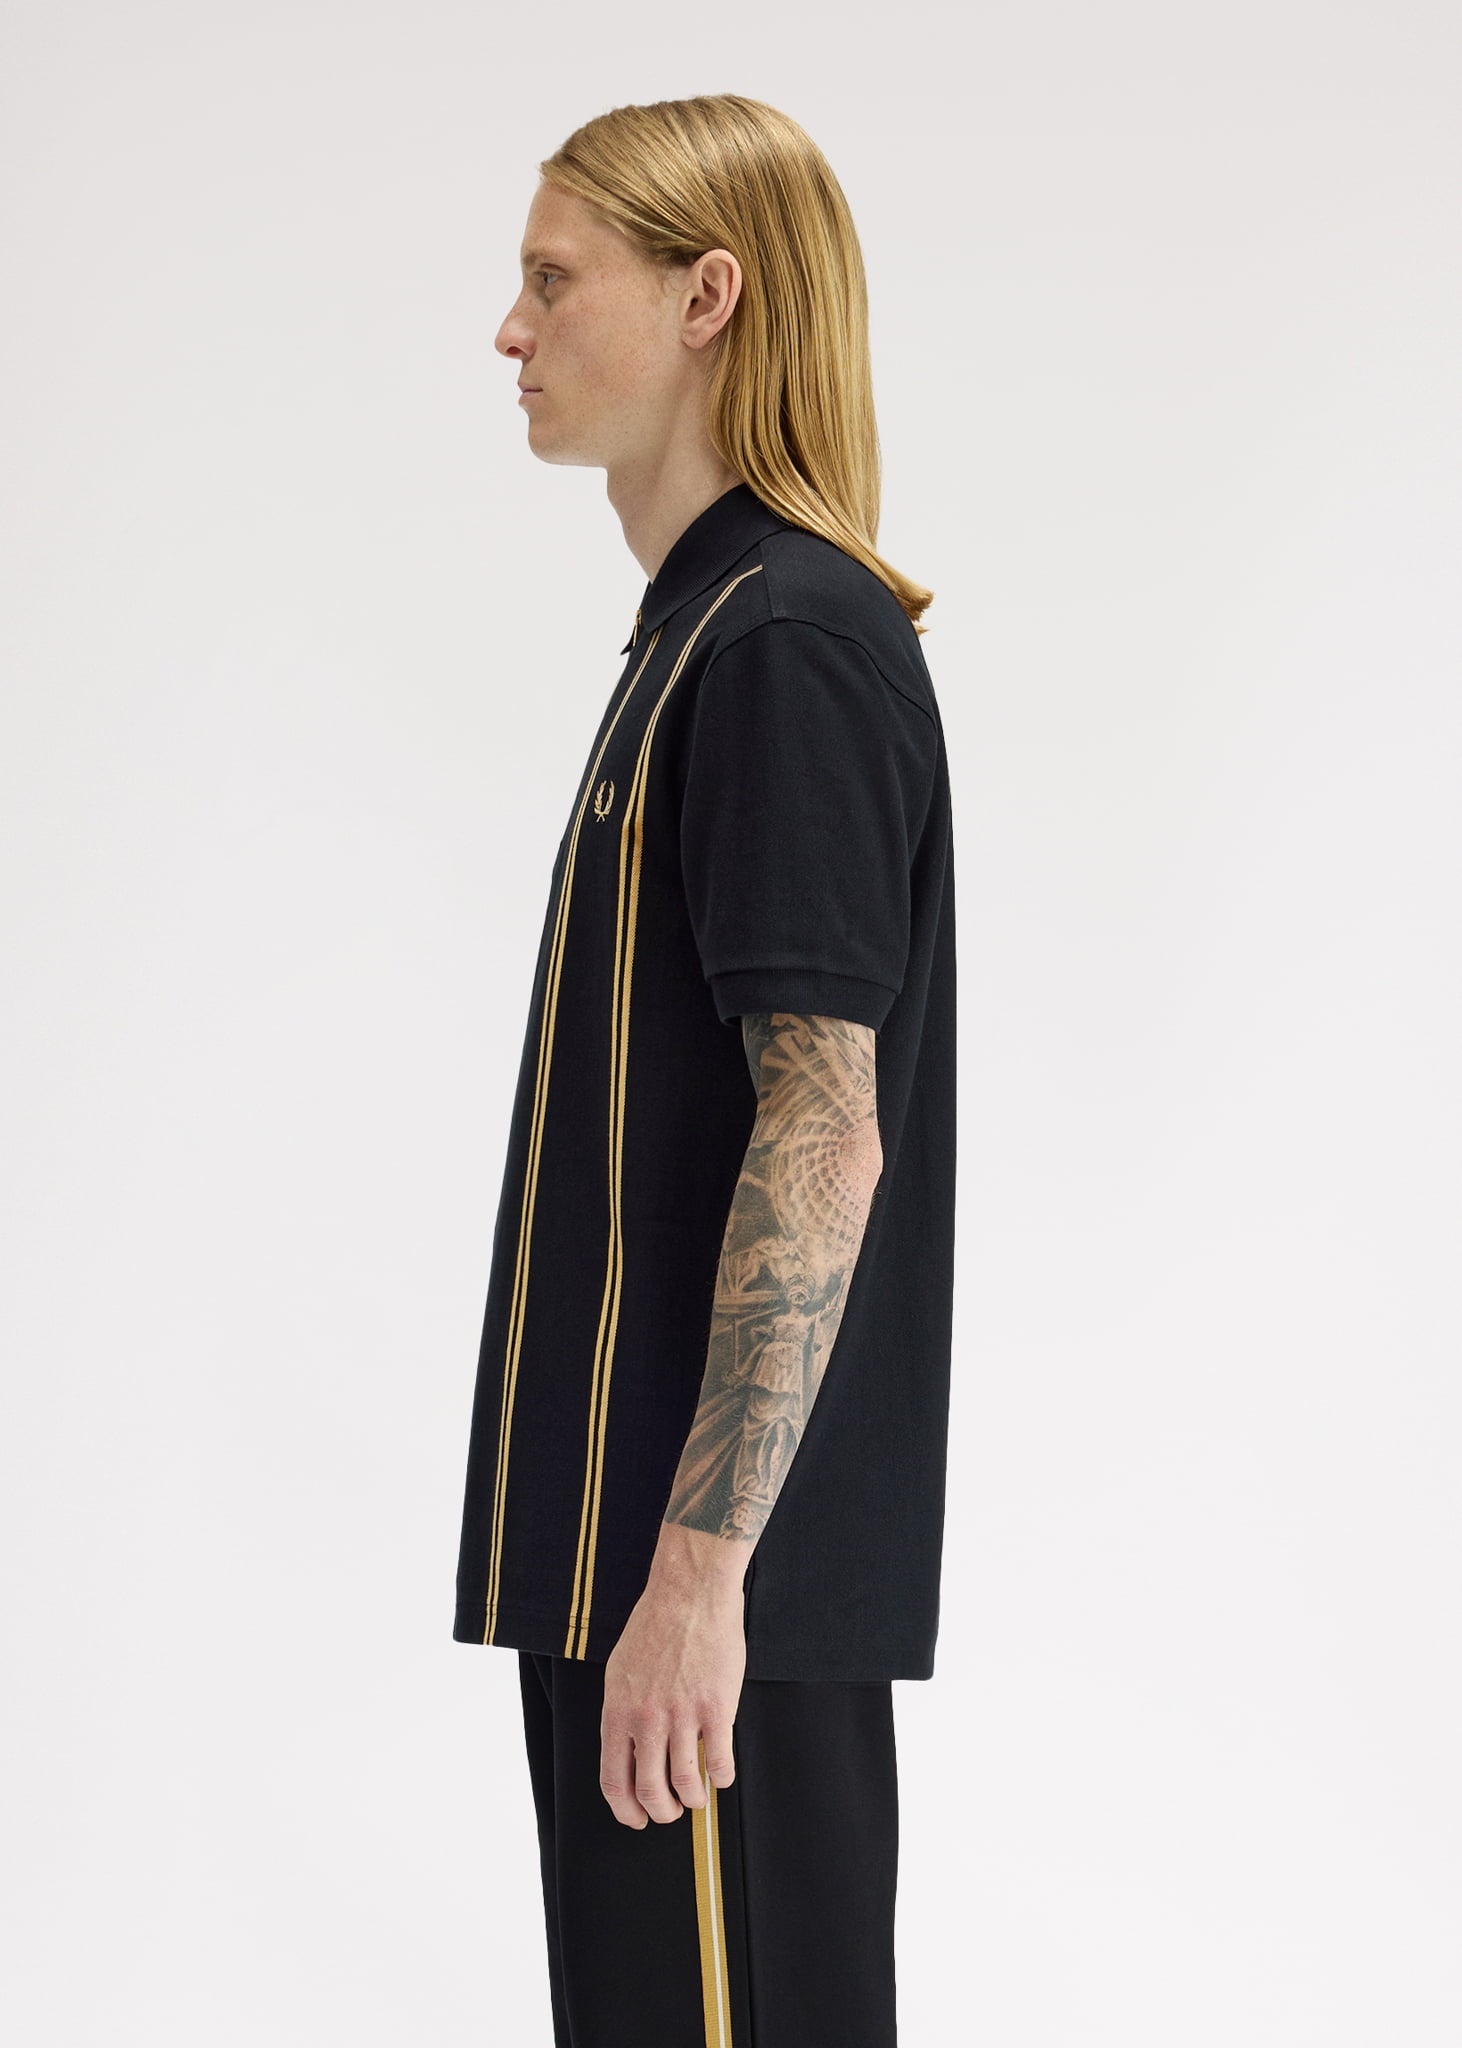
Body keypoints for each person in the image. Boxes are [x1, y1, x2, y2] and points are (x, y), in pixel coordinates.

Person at [452, 93, 957, 2048]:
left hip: (700, 1611)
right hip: (638, 1581)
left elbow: (824, 1128)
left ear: (705, 297)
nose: (510, 328)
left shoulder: (784, 644)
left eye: (552, 278)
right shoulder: (699, 638)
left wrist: (695, 1579)